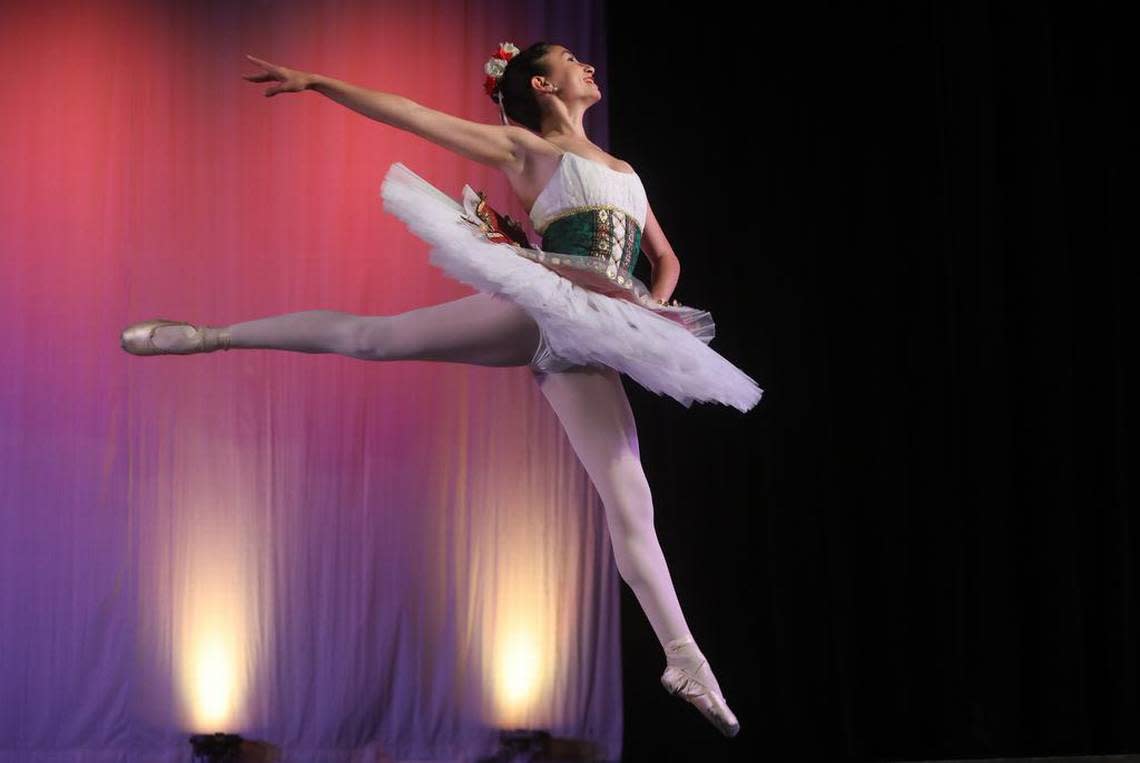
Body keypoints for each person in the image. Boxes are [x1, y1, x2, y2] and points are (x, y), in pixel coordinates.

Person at [120, 41, 758, 737]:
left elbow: (664, 258)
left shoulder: (625, 171)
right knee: (376, 338)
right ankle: (210, 334)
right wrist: (319, 79)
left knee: (629, 490)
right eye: (576, 61)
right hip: (546, 303)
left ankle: (683, 656)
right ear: (543, 85)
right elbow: (413, 115)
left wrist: (653, 309)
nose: (592, 68)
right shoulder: (526, 149)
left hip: (602, 330)